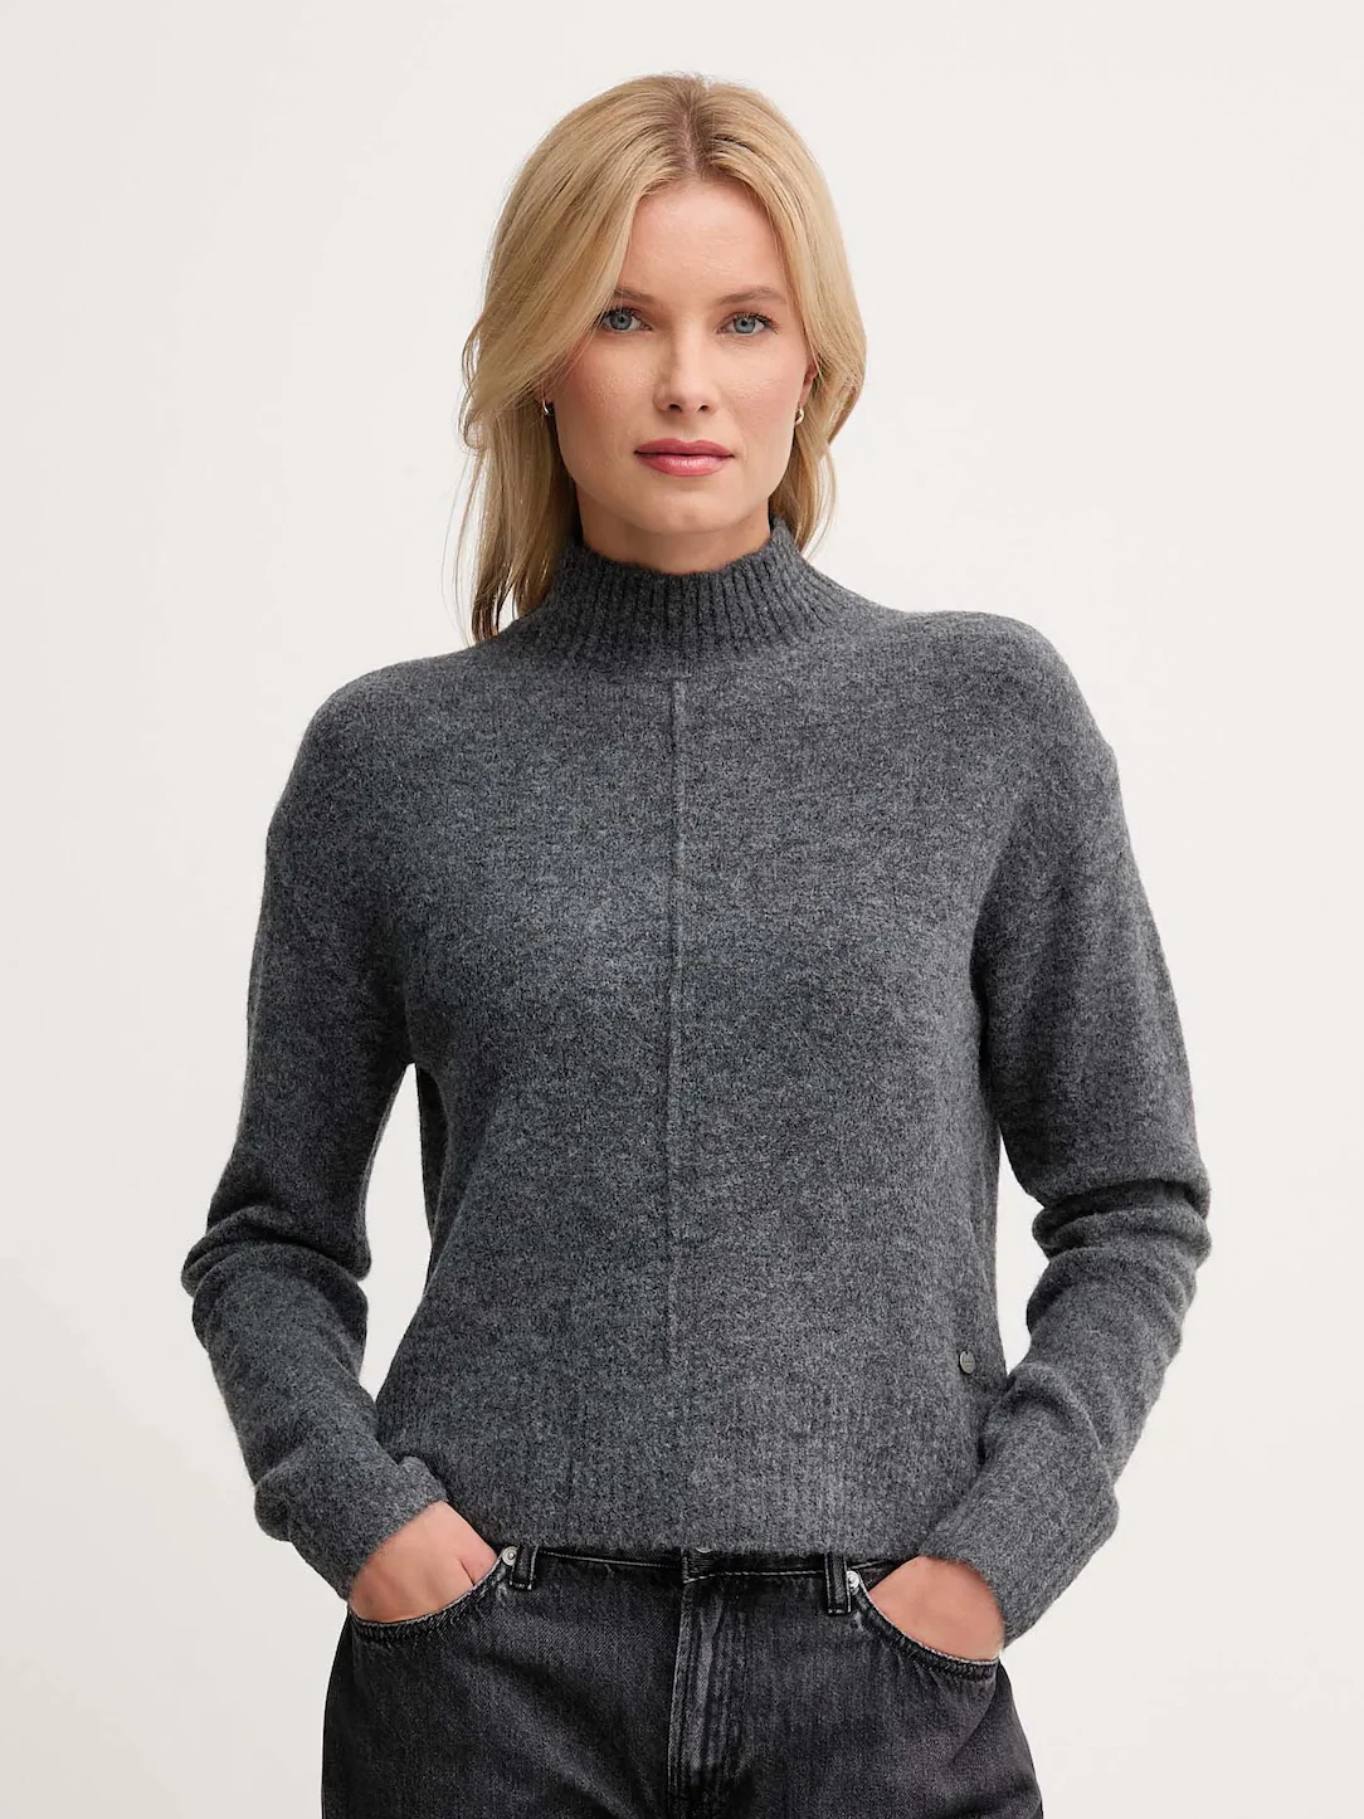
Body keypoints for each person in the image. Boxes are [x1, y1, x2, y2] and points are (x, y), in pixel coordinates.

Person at [180, 71, 1212, 1818]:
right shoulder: (390, 759)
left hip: (882, 1678)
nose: (685, 380)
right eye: (621, 316)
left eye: (743, 320)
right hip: (488, 1686)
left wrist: (996, 1558)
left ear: (813, 362)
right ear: (539, 359)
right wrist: (364, 1521)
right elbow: (268, 1240)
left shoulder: (983, 716)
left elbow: (1132, 1201)